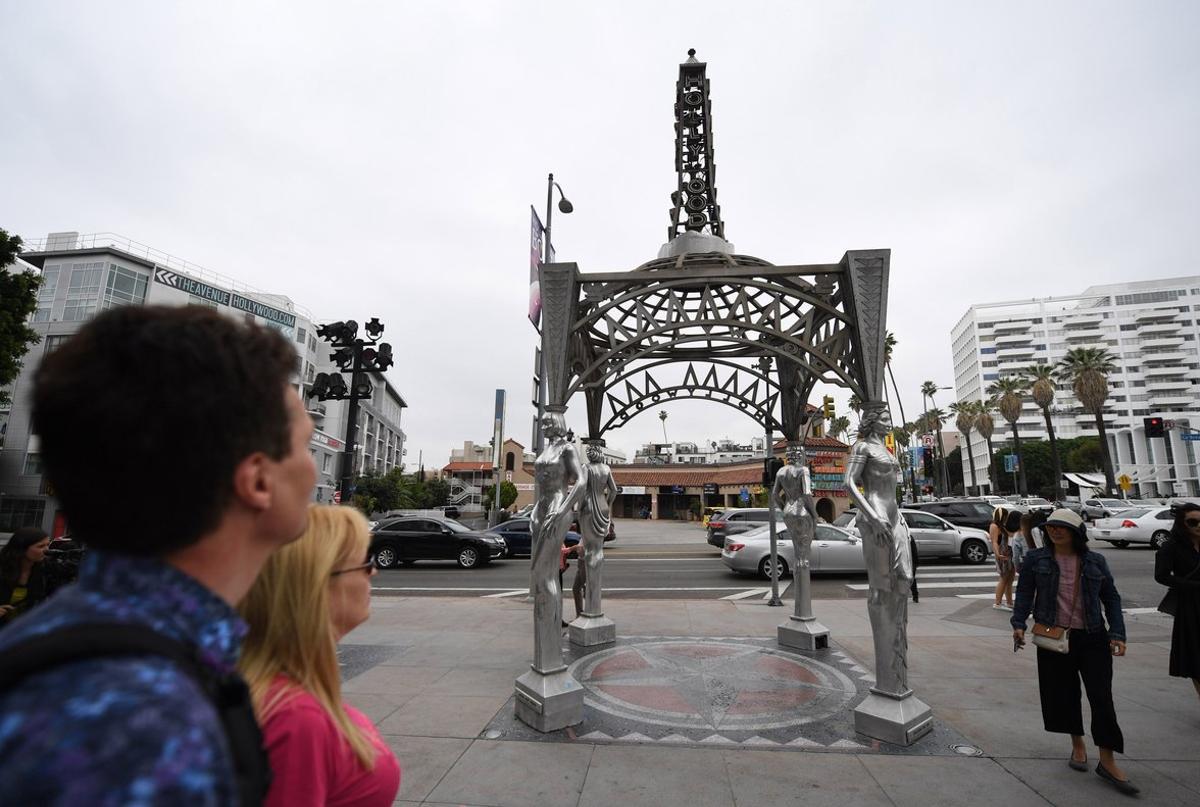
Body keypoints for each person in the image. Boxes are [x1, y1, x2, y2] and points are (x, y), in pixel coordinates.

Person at [0, 305, 315, 805]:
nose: (314, 472)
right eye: (305, 447)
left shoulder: (72, 643)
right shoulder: (143, 727)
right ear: (258, 480)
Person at [238, 505, 401, 806]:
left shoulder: (288, 692)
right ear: (319, 584)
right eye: (364, 562)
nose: (374, 571)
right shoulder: (296, 719)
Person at [1011, 509, 1136, 796]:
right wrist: (1018, 624)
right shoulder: (1036, 559)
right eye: (1051, 527)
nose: (1055, 532)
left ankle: (1107, 759)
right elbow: (1025, 594)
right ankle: (1077, 745)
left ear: (1076, 532)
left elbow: (1111, 598)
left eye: (1062, 528)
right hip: (1054, 636)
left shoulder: (1095, 560)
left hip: (1093, 636)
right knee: (1064, 695)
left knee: (1101, 697)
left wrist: (1117, 633)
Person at [1154, 503, 1200, 702]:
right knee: (1196, 659)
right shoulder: (1171, 546)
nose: (1198, 525)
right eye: (1193, 522)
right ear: (1182, 523)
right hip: (1191, 607)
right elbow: (1162, 576)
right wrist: (1192, 585)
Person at [0, 527, 55, 626]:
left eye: (48, 544)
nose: (46, 550)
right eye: (40, 546)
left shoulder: (46, 568)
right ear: (22, 548)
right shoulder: (3, 567)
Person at [990, 507, 1020, 610]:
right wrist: (997, 554)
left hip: (1009, 553)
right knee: (1004, 578)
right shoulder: (994, 526)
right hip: (1003, 554)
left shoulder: (1003, 526)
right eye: (1006, 515)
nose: (1007, 518)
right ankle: (997, 603)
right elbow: (994, 541)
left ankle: (1009, 602)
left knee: (1010, 579)